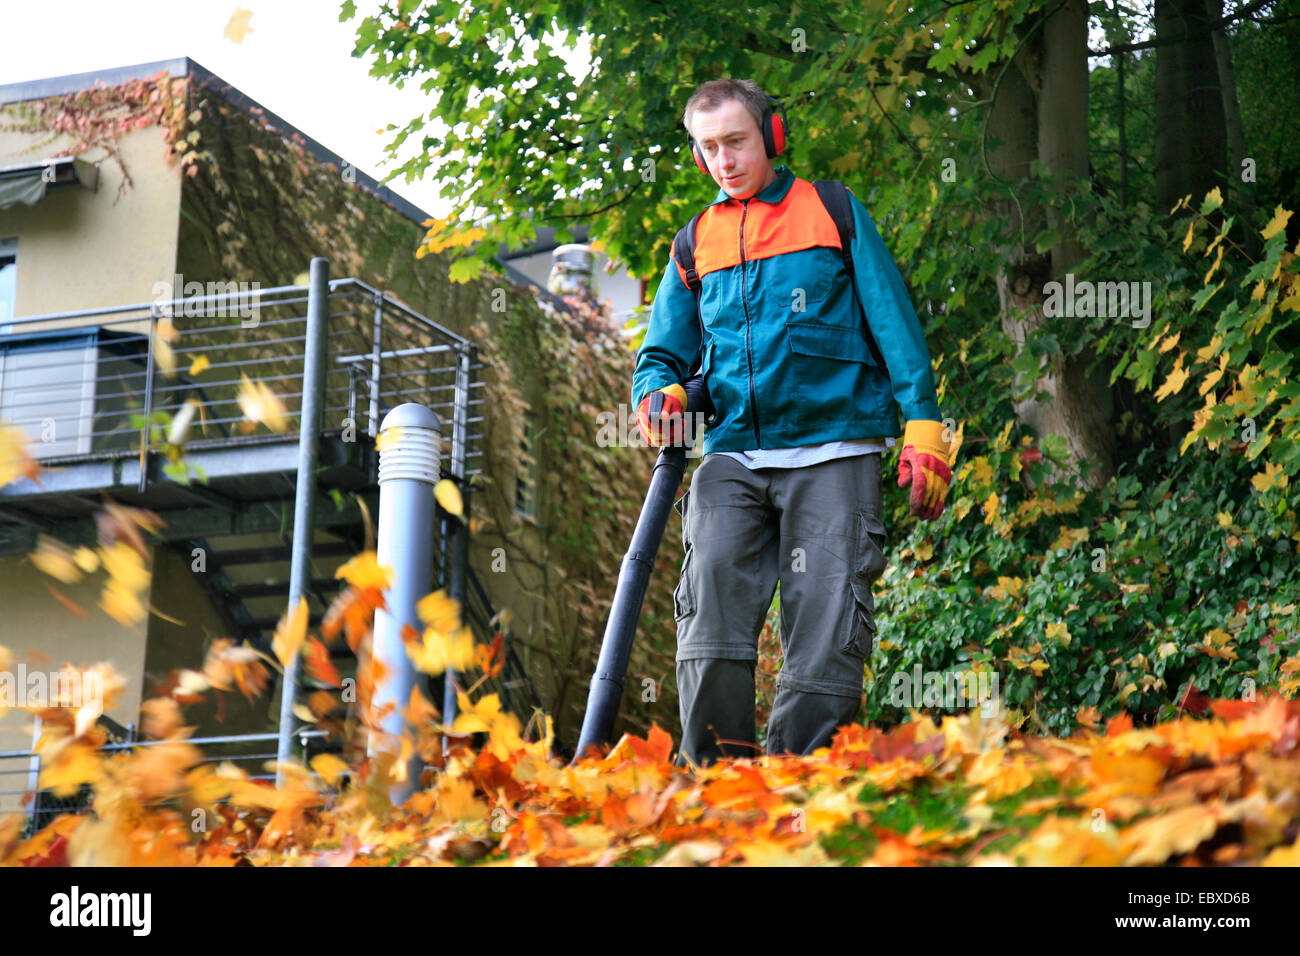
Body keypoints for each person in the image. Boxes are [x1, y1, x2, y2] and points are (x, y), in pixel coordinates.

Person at [631, 78, 957, 769]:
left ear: (772, 136)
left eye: (737, 141)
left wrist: (922, 424)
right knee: (710, 607)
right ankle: (716, 782)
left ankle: (800, 778)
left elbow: (892, 320)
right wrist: (658, 390)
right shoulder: (694, 243)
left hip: (834, 448)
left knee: (828, 623)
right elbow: (662, 350)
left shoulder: (830, 211)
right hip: (732, 456)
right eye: (709, 148)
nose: (724, 159)